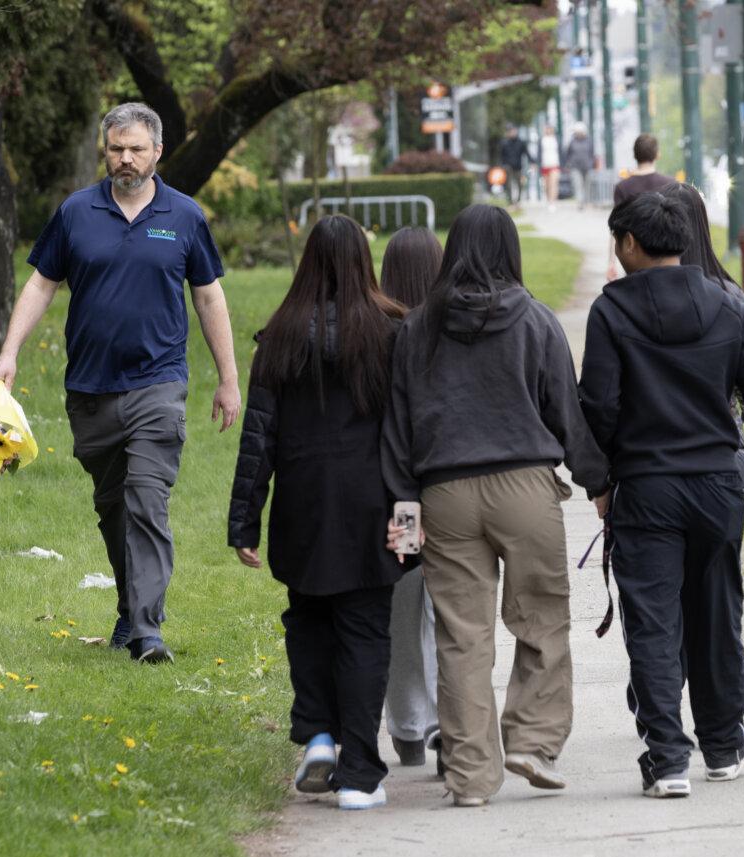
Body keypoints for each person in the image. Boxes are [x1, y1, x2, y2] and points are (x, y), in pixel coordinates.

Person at [0, 102, 241, 665]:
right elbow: (40, 286)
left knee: (148, 500)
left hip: (160, 383)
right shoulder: (77, 213)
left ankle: (148, 630)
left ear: (157, 152)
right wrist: (9, 352)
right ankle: (131, 605)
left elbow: (208, 295)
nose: (125, 159)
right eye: (115, 149)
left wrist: (228, 378)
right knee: (114, 507)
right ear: (106, 151)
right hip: (90, 388)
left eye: (135, 149)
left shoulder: (184, 215)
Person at [578, 193, 744, 800]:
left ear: (630, 244)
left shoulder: (611, 312)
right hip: (717, 488)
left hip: (648, 489)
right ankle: (725, 744)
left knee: (652, 623)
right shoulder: (729, 304)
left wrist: (600, 481)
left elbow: (596, 405)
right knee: (716, 613)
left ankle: (668, 758)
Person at [382, 205, 610, 807]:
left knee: (462, 638)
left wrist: (407, 526)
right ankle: (533, 742)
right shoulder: (535, 319)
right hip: (526, 489)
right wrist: (598, 484)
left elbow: (398, 433)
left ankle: (470, 778)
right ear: (511, 250)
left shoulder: (417, 328)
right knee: (541, 622)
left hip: (444, 496)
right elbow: (567, 411)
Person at [227, 214, 411, 812]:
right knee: (364, 633)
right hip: (375, 508)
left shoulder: (278, 337)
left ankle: (319, 736)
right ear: (365, 262)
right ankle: (360, 771)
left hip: (301, 506)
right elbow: (409, 436)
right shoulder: (392, 333)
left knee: (307, 619)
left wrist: (244, 521)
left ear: (307, 263)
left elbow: (259, 437)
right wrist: (411, 523)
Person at [378, 227, 444, 771]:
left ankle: (406, 727)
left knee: (403, 610)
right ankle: (451, 718)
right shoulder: (447, 333)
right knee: (451, 610)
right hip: (447, 491)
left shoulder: (380, 334)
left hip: (396, 496)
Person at [663, 180, 744, 495]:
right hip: (724, 451)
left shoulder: (640, 297)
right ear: (702, 225)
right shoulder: (731, 297)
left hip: (659, 456)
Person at [607, 134, 676, 279]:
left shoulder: (623, 187)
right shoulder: (670, 183)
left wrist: (611, 263)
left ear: (635, 154)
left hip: (634, 256)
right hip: (663, 252)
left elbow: (616, 229)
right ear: (657, 154)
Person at [499, 125, 532, 208]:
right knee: (508, 184)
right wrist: (502, 165)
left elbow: (526, 153)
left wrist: (532, 162)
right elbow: (501, 155)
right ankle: (510, 202)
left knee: (520, 184)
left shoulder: (520, 142)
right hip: (508, 166)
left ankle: (518, 201)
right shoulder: (504, 143)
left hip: (518, 167)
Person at [563, 123, 595, 210]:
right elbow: (568, 154)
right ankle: (580, 203)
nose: (578, 134)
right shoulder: (572, 142)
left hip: (588, 167)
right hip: (575, 167)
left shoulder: (589, 141)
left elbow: (592, 153)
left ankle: (587, 202)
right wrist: (567, 165)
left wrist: (592, 164)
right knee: (578, 185)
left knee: (587, 185)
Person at [539, 124, 561, 211]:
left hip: (555, 164)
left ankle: (552, 202)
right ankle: (549, 200)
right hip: (545, 164)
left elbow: (561, 151)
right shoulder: (542, 140)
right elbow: (539, 153)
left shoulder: (556, 139)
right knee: (546, 185)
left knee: (553, 184)